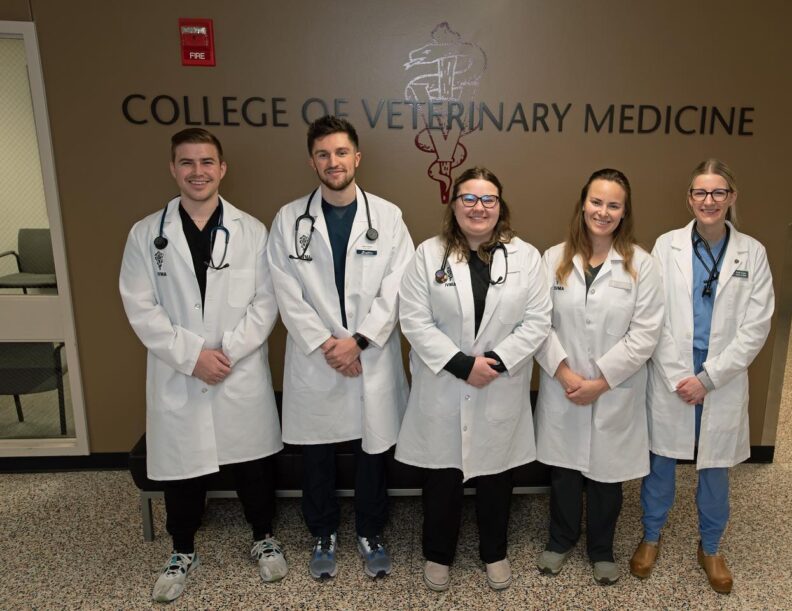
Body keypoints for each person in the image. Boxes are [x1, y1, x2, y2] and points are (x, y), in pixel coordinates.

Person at [119, 128, 286, 603]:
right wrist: (192, 357)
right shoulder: (146, 234)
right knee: (182, 466)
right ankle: (181, 549)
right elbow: (140, 306)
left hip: (238, 366)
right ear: (173, 169)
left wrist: (227, 353)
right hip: (180, 370)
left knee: (253, 461)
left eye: (207, 162)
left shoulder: (251, 230)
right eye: (187, 163)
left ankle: (263, 536)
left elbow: (266, 301)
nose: (198, 172)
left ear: (222, 168)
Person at [267, 115, 414, 580]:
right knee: (317, 451)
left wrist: (361, 340)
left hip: (369, 352)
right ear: (312, 160)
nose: (334, 162)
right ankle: (323, 533)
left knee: (373, 450)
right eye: (324, 154)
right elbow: (284, 290)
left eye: (341, 152)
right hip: (318, 357)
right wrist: (329, 344)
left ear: (357, 157)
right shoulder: (289, 219)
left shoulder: (388, 217)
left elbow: (399, 286)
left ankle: (371, 531)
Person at [396, 167, 551, 592]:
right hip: (446, 384)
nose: (478, 208)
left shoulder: (527, 257)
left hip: (500, 384)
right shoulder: (429, 254)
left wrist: (495, 362)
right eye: (469, 198)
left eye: (488, 200)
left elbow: (538, 321)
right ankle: (438, 553)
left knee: (497, 476)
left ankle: (494, 552)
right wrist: (463, 365)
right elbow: (413, 318)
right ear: (454, 204)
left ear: (500, 206)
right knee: (442, 478)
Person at [629, 159, 774, 594]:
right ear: (689, 198)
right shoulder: (666, 245)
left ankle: (710, 547)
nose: (708, 201)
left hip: (722, 376)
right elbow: (651, 314)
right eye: (700, 193)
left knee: (715, 467)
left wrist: (707, 379)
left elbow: (757, 326)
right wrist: (680, 375)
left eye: (717, 193)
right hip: (672, 369)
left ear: (731, 197)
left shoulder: (753, 252)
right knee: (661, 463)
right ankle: (650, 536)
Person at [534, 168, 664, 585]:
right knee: (565, 472)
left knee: (608, 476)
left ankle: (602, 549)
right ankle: (560, 541)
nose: (603, 212)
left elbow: (645, 335)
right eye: (596, 202)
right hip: (564, 384)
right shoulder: (552, 259)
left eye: (613, 205)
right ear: (582, 203)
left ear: (624, 212)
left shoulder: (642, 264)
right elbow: (537, 325)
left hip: (614, 389)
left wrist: (600, 382)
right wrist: (566, 373)